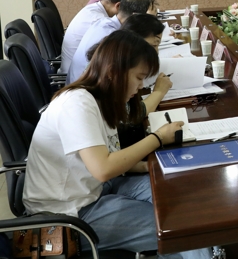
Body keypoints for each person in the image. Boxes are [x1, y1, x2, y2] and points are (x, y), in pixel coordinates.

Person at [23, 30, 210, 259]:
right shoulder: (77, 103)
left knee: (176, 193)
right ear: (113, 72)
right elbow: (103, 168)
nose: (140, 87)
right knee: (182, 225)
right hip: (67, 216)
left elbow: (108, 156)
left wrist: (146, 167)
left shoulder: (102, 100)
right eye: (139, 78)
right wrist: (158, 138)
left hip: (94, 191)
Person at [68, 0, 157, 84]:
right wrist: (149, 23)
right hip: (85, 87)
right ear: (136, 16)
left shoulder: (104, 22)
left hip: (81, 83)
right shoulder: (112, 36)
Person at [61, 0, 134, 74]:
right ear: (118, 6)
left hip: (75, 71)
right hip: (76, 76)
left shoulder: (92, 9)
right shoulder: (99, 21)